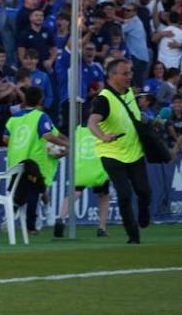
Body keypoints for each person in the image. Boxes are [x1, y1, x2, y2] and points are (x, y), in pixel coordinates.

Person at [87, 58, 150, 245]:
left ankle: (144, 214)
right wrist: (103, 136)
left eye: (130, 72)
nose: (129, 76)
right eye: (124, 73)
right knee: (124, 194)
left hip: (134, 151)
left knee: (144, 191)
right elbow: (92, 122)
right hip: (111, 153)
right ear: (112, 76)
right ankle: (133, 235)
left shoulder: (130, 92)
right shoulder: (103, 99)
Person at [4, 84, 68, 234]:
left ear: (25, 99)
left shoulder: (14, 118)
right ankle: (31, 226)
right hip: (33, 162)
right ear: (41, 99)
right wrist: (67, 144)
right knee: (34, 191)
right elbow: (48, 135)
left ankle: (9, 220)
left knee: (17, 191)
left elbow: (5, 138)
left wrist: (20, 145)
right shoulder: (40, 116)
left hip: (16, 159)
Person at [54, 126, 112, 239]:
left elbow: (72, 147)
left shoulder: (78, 130)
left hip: (82, 167)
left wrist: (62, 153)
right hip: (98, 166)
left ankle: (61, 218)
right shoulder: (105, 129)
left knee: (74, 193)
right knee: (103, 196)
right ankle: (101, 227)